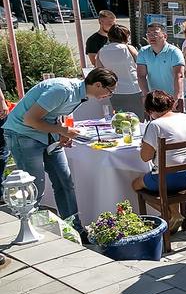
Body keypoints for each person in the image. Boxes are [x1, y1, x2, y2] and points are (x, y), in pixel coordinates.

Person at [4, 68, 117, 237]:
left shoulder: (81, 95)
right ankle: (29, 232)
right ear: (98, 85)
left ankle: (73, 230)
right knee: (35, 187)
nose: (110, 95)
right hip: (23, 135)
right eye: (110, 91)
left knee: (65, 182)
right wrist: (62, 130)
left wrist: (61, 132)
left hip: (46, 135)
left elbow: (53, 114)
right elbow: (30, 119)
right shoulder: (62, 89)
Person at [131, 90, 186, 233]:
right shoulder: (185, 117)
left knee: (136, 184)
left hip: (170, 180)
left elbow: (145, 157)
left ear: (150, 111)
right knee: (167, 173)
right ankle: (173, 216)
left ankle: (171, 214)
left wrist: (146, 145)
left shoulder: (155, 125)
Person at [95, 24, 142, 117]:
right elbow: (141, 65)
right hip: (134, 88)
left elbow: (99, 71)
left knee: (120, 118)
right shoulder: (129, 48)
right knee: (137, 118)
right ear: (125, 36)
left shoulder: (101, 51)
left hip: (114, 90)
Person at [136, 21, 185, 111]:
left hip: (172, 97)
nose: (151, 37)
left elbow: (179, 76)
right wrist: (147, 96)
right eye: (149, 34)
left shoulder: (174, 52)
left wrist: (176, 98)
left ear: (165, 36)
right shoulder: (143, 51)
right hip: (154, 99)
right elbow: (141, 76)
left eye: (155, 33)